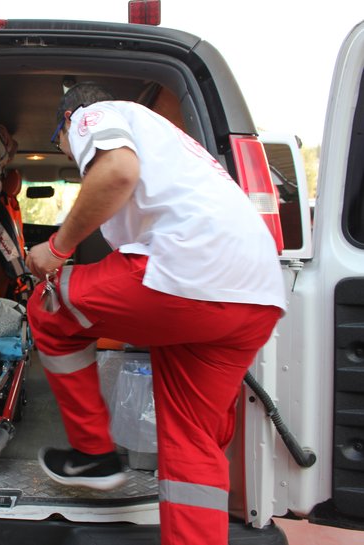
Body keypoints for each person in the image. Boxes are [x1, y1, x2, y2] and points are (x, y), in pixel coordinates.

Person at [25, 82, 286, 545]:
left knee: (48, 307)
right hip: (258, 295)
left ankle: (93, 453)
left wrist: (57, 248)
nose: (66, 148)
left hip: (187, 270)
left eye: (56, 141)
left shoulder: (94, 114)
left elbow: (117, 172)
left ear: (66, 119)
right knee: (191, 440)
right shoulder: (178, 148)